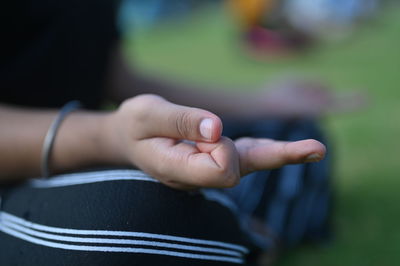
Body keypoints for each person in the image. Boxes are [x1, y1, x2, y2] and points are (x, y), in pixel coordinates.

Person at [0, 0, 332, 265]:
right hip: (27, 166)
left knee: (290, 132)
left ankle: (223, 232)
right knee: (126, 220)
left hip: (88, 154)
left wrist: (263, 103)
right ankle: (242, 232)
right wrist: (110, 137)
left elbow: (114, 78)